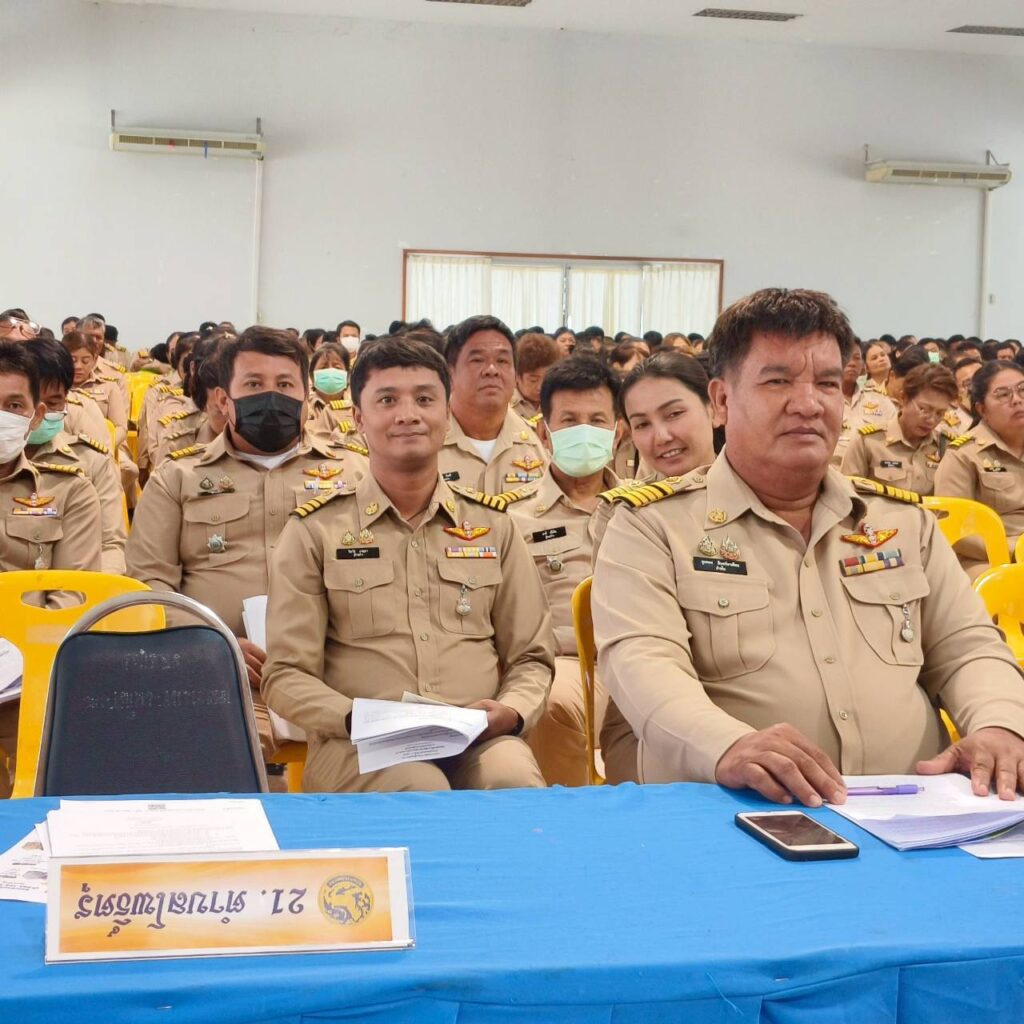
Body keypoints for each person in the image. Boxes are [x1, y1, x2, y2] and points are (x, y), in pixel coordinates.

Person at [594, 287, 1024, 804]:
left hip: (913, 812)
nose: (808, 404)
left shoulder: (902, 522)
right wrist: (729, 745)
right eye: (777, 381)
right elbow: (643, 664)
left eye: (826, 383)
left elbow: (967, 648)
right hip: (735, 811)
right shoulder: (651, 526)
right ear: (722, 400)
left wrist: (1000, 724)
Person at [261, 336, 553, 793]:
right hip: (359, 743)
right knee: (419, 788)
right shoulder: (315, 531)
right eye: (387, 400)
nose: (408, 414)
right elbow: (285, 675)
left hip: (477, 737)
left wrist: (511, 711)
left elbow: (531, 656)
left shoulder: (493, 526)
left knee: (510, 779)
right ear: (359, 418)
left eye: (424, 399)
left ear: (447, 413)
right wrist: (358, 718)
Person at [126, 326, 368, 755]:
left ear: (307, 396)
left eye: (285, 385)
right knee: (227, 757)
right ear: (224, 399)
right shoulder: (177, 479)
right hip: (219, 675)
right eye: (254, 384)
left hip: (336, 673)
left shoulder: (357, 473)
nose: (271, 397)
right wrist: (211, 641)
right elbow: (149, 585)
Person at [508, 358, 622, 786]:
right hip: (565, 662)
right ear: (544, 433)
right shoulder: (514, 518)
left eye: (597, 420)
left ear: (618, 432)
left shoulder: (645, 509)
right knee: (552, 702)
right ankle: (566, 813)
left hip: (641, 655)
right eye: (570, 421)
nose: (584, 431)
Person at [0, 340, 103, 797]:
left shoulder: (69, 492)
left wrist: (22, 663)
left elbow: (72, 598)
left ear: (36, 415)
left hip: (30, 683)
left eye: (13, 406)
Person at [23, 338, 126, 574]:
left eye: (53, 403)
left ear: (67, 399)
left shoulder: (91, 462)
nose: (41, 414)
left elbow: (110, 545)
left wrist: (91, 591)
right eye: (33, 403)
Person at [933, 360, 1024, 579]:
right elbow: (954, 530)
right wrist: (1014, 550)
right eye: (1003, 395)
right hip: (989, 560)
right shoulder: (963, 454)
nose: (1017, 399)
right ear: (982, 409)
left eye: (1022, 390)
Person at [438, 315, 549, 492]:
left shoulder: (540, 442)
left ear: (515, 375)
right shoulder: (426, 441)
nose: (492, 370)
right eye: (477, 360)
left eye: (502, 361)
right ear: (449, 373)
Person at [840, 364, 958, 496]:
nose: (931, 420)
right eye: (924, 409)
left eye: (940, 413)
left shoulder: (947, 448)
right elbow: (847, 496)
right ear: (904, 398)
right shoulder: (868, 442)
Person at [833, 343, 897, 466]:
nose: (852, 363)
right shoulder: (819, 401)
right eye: (845, 356)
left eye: (857, 358)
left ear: (863, 366)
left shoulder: (881, 402)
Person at [305, 343, 365, 446]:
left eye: (337, 368)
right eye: (323, 368)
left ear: (347, 376)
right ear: (312, 377)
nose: (330, 372)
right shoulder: (305, 409)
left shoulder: (358, 409)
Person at [511, 333, 560, 424]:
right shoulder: (506, 405)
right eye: (533, 380)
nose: (540, 387)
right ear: (517, 376)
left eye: (546, 379)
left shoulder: (557, 401)